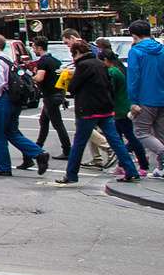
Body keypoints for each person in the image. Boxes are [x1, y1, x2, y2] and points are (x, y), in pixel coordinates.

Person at [49, 33, 142, 185]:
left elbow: (73, 88)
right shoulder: (100, 64)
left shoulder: (83, 66)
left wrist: (69, 78)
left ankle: (71, 175)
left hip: (87, 109)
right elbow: (108, 85)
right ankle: (131, 170)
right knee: (116, 141)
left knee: (79, 143)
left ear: (77, 53)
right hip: (105, 108)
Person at [0, 34, 49, 177]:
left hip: (2, 99)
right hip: (14, 100)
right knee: (12, 132)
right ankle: (39, 154)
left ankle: (4, 167)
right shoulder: (7, 58)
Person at [91, 38, 151, 175]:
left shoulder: (112, 72)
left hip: (120, 109)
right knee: (120, 139)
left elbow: (109, 91)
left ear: (105, 60)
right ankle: (124, 164)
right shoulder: (118, 68)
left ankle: (142, 165)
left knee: (128, 138)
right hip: (121, 108)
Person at [126, 20, 164, 178]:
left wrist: (133, 101)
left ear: (135, 36)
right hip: (162, 97)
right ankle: (161, 168)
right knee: (161, 133)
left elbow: (134, 77)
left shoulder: (136, 51)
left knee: (141, 132)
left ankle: (163, 155)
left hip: (144, 98)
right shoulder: (162, 49)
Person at [29, 35, 71, 162]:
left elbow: (40, 77)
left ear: (40, 48)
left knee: (57, 124)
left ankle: (67, 150)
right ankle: (37, 147)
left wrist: (31, 76)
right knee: (44, 122)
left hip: (50, 96)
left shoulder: (43, 61)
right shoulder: (55, 60)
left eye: (34, 47)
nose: (33, 50)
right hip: (58, 94)